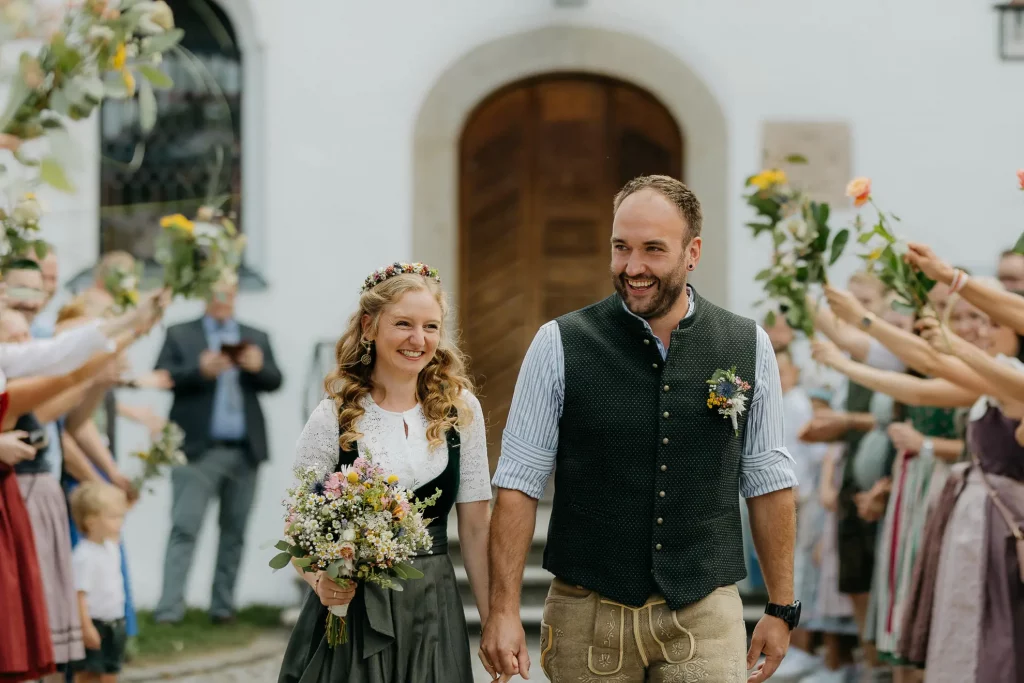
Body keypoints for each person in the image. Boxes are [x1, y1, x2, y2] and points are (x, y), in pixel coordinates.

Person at [482, 175, 800, 683]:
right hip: (587, 614)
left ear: (692, 252)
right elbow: (518, 482)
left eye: (653, 249)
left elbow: (768, 480)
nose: (633, 267)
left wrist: (782, 607)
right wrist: (502, 611)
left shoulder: (748, 344)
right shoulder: (558, 344)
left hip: (705, 613)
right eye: (621, 248)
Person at [277, 263, 492, 683]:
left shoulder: (461, 411)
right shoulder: (333, 417)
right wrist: (320, 579)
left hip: (432, 606)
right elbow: (295, 529)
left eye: (431, 326)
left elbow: (476, 529)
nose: (418, 339)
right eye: (404, 324)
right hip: (353, 608)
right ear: (369, 326)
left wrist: (494, 621)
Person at [153, 276, 283, 624]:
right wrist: (200, 371)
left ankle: (222, 608)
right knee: (185, 528)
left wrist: (258, 368)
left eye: (229, 291)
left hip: (245, 451)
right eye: (217, 291)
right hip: (196, 450)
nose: (223, 297)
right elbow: (163, 376)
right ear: (205, 294)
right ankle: (168, 611)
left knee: (235, 532)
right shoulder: (181, 333)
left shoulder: (255, 336)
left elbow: (275, 379)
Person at [69, 481, 129, 682]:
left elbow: (125, 505)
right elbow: (79, 595)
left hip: (115, 622)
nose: (120, 522)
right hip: (95, 624)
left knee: (111, 670)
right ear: (91, 521)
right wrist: (86, 627)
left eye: (121, 516)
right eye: (113, 517)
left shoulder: (111, 547)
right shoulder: (84, 555)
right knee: (89, 673)